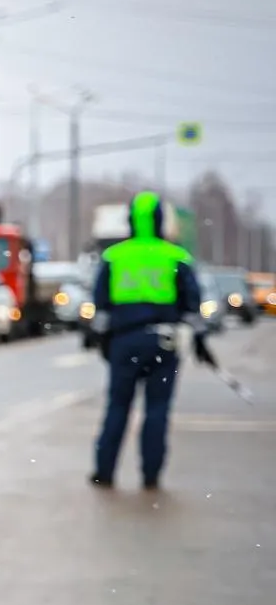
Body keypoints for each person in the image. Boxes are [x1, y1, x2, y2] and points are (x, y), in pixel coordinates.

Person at [87, 190, 216, 489]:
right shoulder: (175, 257)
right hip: (163, 343)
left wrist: (103, 340)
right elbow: (192, 305)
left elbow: (101, 307)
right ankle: (151, 474)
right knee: (157, 410)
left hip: (125, 341)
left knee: (118, 406)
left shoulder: (115, 256)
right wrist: (200, 341)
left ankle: (104, 471)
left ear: (131, 221)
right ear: (159, 221)